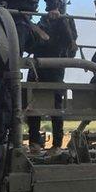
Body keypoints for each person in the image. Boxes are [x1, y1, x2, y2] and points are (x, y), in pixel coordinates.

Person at [26, 13, 78, 153]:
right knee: (33, 109)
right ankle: (34, 143)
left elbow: (70, 43)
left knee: (56, 109)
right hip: (38, 69)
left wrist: (61, 20)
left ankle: (56, 145)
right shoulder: (42, 22)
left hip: (54, 69)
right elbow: (32, 45)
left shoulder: (65, 22)